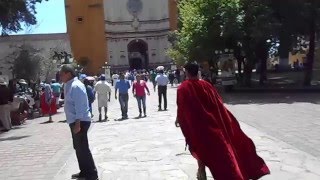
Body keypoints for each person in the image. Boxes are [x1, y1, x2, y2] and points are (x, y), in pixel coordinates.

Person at [175, 62, 270, 180]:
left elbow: (182, 107)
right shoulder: (206, 85)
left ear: (187, 72)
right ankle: (205, 172)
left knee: (199, 147)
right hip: (213, 124)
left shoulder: (183, 88)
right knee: (217, 153)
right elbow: (218, 104)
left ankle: (201, 171)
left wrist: (179, 118)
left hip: (197, 125)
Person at [59, 64, 98, 180]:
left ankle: (91, 174)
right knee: (78, 148)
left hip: (80, 121)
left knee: (83, 148)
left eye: (61, 74)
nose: (60, 77)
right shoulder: (68, 85)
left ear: (68, 73)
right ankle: (84, 171)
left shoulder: (76, 86)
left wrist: (78, 123)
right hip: (75, 121)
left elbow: (80, 106)